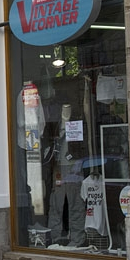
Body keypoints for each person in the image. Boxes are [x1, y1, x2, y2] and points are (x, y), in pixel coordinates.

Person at [47, 104, 87, 247]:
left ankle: (77, 238)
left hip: (74, 165)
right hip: (58, 166)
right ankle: (54, 236)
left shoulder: (78, 120)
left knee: (76, 202)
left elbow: (84, 144)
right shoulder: (55, 121)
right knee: (56, 203)